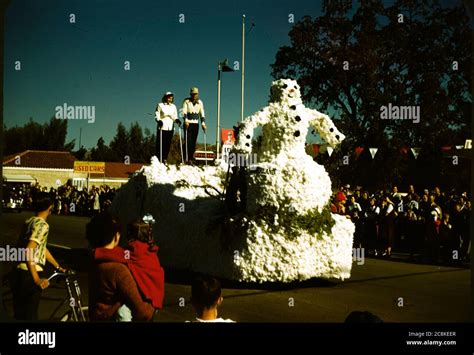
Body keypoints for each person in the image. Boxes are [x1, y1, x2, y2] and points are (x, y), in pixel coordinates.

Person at [86, 213, 155, 321]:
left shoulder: (95, 259)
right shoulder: (118, 269)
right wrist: (152, 306)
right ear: (116, 236)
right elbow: (143, 312)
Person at [9, 193, 66, 320]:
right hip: (29, 275)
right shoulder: (43, 225)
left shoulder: (29, 221)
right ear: (50, 207)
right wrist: (36, 279)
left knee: (19, 316)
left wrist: (57, 266)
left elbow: (41, 248)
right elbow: (29, 250)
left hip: (18, 272)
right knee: (30, 316)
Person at [182, 87, 206, 163]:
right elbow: (184, 112)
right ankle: (186, 158)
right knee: (188, 141)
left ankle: (191, 158)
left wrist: (203, 123)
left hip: (196, 124)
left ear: (198, 94)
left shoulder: (200, 102)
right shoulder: (186, 101)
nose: (194, 95)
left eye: (195, 94)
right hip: (188, 123)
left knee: (193, 142)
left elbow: (202, 114)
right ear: (190, 94)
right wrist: (185, 120)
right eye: (193, 94)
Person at [155, 91, 180, 163]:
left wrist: (177, 120)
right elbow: (157, 115)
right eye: (169, 96)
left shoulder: (174, 106)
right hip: (162, 127)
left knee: (167, 144)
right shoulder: (160, 105)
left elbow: (175, 116)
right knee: (160, 143)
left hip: (170, 127)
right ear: (165, 97)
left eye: (171, 97)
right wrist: (158, 120)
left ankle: (164, 158)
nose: (170, 98)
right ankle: (158, 158)